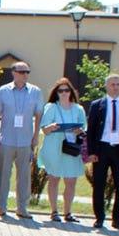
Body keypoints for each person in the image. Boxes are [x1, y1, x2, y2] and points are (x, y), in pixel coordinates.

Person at [83, 73, 119, 230]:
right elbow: (91, 130)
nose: (115, 87)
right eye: (112, 84)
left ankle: (118, 219)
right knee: (99, 184)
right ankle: (99, 218)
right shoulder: (97, 105)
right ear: (106, 86)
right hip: (102, 149)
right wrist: (91, 152)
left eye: (118, 84)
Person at [0, 62, 44, 218]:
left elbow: (39, 114)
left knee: (24, 176)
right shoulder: (3, 91)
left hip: (25, 141)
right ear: (13, 72)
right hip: (7, 139)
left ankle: (22, 207)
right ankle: (1, 206)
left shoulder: (35, 91)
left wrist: (35, 137)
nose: (25, 74)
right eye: (22, 72)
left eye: (27, 72)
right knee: (4, 175)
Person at [36, 78, 87, 222]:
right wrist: (51, 127)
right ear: (56, 93)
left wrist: (80, 131)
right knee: (54, 179)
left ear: (71, 92)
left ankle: (68, 212)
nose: (64, 93)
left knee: (71, 180)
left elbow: (84, 128)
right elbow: (44, 130)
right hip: (54, 147)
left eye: (66, 90)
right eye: (60, 91)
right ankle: (54, 211)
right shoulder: (51, 107)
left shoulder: (78, 109)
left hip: (71, 148)